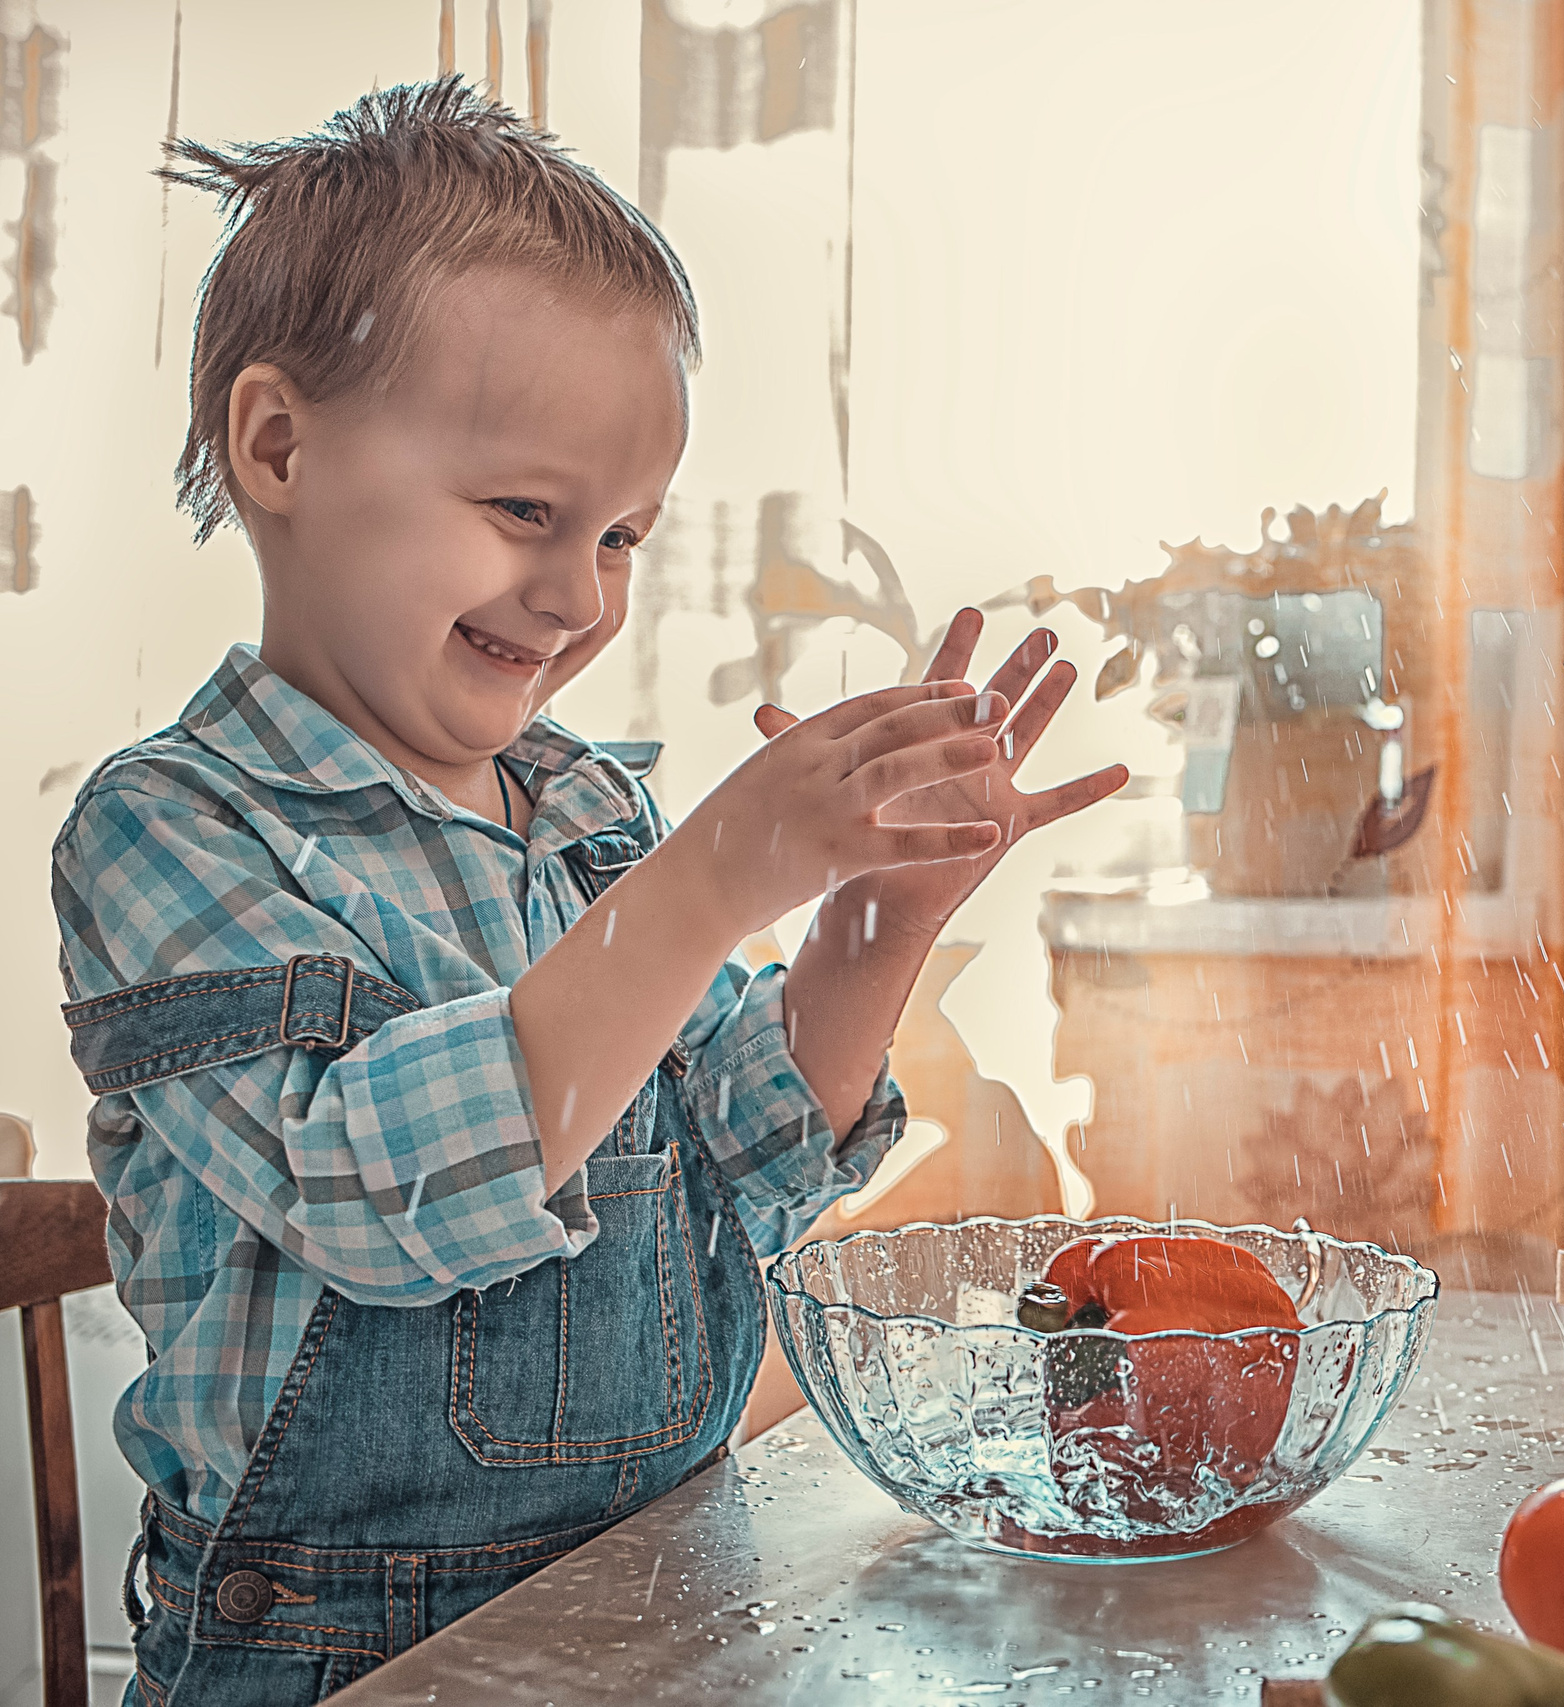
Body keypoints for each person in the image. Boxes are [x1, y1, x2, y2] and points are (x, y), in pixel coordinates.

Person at [48, 77, 1125, 1707]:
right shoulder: (171, 830)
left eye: (622, 535)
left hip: (656, 1589)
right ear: (278, 444)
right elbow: (366, 1193)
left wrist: (872, 926)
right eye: (524, 514)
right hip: (338, 1653)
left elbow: (749, 1156)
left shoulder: (585, 810)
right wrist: (703, 885)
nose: (576, 595)